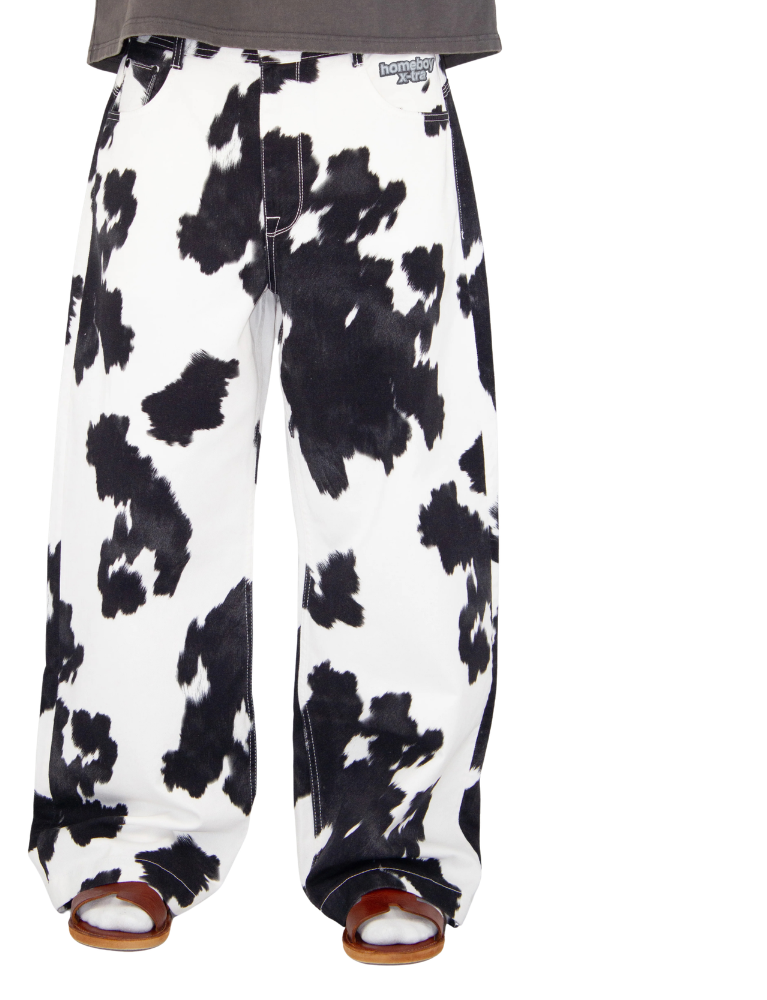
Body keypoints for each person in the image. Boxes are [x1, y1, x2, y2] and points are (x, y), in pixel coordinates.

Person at [29, 1, 501, 966]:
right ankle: (130, 827)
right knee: (139, 485)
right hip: (175, 63)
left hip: (386, 64)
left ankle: (394, 841)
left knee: (406, 493)